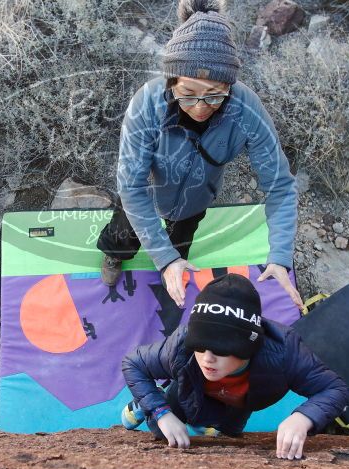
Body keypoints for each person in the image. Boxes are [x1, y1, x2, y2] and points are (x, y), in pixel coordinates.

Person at [97, 0, 301, 310]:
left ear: (230, 87)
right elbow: (132, 186)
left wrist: (281, 254)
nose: (201, 106)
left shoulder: (247, 111)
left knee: (180, 245)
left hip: (196, 200)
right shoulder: (147, 105)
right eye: (188, 93)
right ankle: (116, 254)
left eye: (215, 94)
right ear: (172, 81)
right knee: (123, 232)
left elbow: (281, 187)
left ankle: (174, 269)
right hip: (149, 193)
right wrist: (163, 257)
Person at [120, 274, 349, 459]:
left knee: (229, 436)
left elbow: (334, 388)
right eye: (199, 346)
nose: (207, 359)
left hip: (239, 403)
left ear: (246, 346)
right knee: (165, 432)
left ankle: (203, 420)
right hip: (190, 390)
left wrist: (303, 418)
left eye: (220, 349)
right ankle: (145, 401)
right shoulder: (181, 344)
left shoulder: (285, 351)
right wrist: (160, 411)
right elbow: (133, 362)